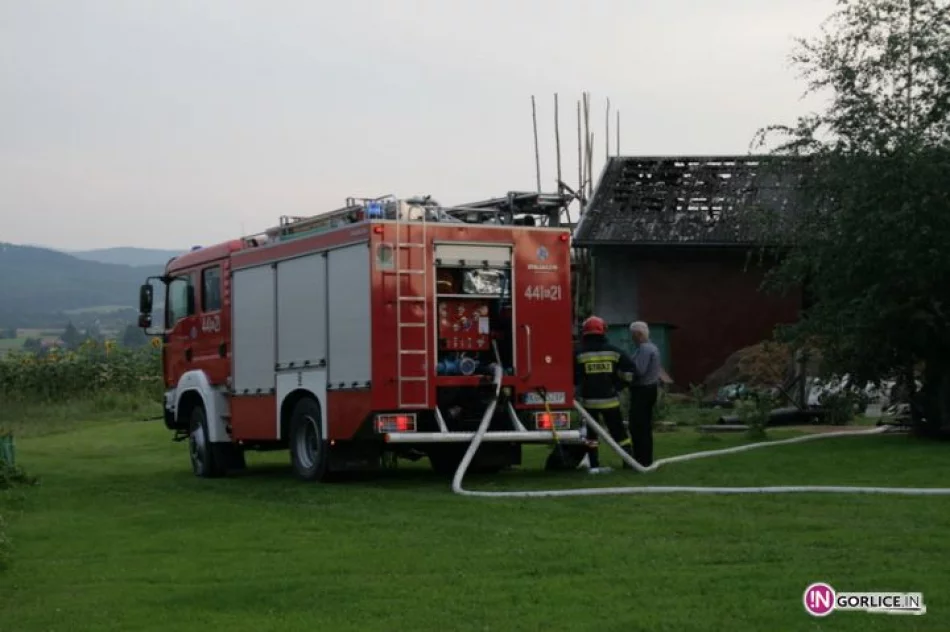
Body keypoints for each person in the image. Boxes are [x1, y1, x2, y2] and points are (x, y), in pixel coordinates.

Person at [569, 315, 637, 474]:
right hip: (610, 401)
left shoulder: (578, 353)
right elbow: (630, 372)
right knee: (620, 433)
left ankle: (594, 465)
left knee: (591, 436)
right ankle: (628, 461)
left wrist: (579, 387)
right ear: (603, 331)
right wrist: (618, 386)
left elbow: (573, 377)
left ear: (585, 332)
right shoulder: (615, 351)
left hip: (588, 403)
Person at [627, 321, 661, 467]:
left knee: (638, 426)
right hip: (649, 390)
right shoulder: (651, 348)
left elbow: (639, 370)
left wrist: (625, 373)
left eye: (632, 335)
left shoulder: (644, 349)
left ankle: (642, 459)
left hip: (643, 390)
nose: (631, 338)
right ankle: (644, 458)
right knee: (643, 425)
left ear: (638, 334)